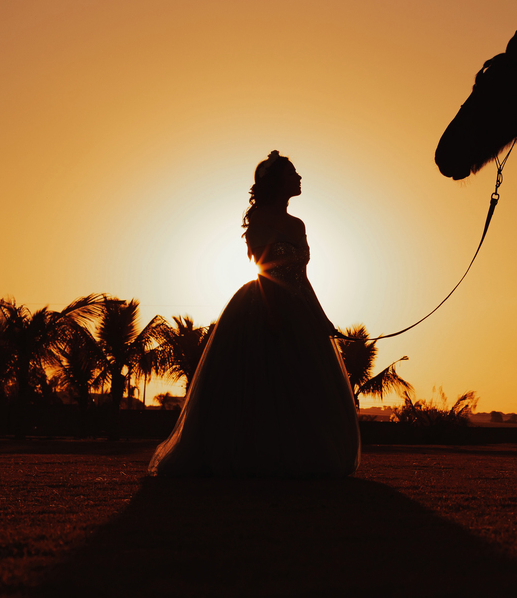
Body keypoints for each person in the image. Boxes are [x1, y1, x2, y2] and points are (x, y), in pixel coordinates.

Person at [149, 151, 361, 478]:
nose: (299, 178)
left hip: (298, 305)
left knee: (304, 388)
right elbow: (264, 271)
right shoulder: (261, 220)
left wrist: (321, 317)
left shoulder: (297, 224)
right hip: (264, 305)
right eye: (293, 173)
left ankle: (302, 458)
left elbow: (302, 277)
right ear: (277, 182)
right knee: (259, 384)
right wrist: (273, 314)